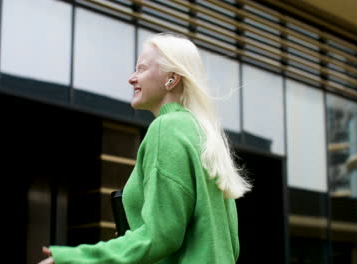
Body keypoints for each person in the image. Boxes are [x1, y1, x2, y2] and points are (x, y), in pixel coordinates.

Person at [37, 32, 252, 264]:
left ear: (171, 78)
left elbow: (160, 236)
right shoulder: (204, 135)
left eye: (141, 68)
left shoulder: (166, 129)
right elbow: (229, 243)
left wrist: (72, 259)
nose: (131, 78)